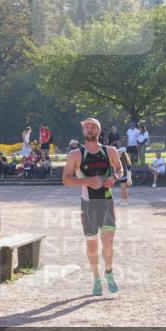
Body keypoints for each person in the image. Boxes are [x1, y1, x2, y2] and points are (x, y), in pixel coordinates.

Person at [63, 117, 122, 296]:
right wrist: (87, 181)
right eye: (86, 128)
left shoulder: (110, 151)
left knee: (109, 243)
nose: (89, 130)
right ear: (83, 132)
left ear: (99, 130)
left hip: (106, 203)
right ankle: (96, 278)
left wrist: (114, 178)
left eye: (92, 127)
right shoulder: (76, 154)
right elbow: (66, 179)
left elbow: (120, 169)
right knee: (92, 246)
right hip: (88, 205)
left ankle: (109, 272)